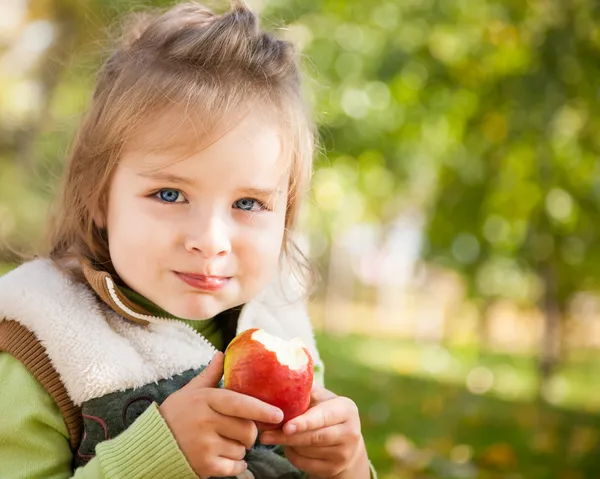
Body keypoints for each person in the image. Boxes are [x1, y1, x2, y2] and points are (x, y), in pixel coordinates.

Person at [0, 1, 376, 478]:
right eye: (170, 193)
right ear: (99, 196)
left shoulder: (281, 330)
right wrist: (155, 460)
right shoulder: (41, 342)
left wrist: (350, 469)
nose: (210, 240)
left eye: (247, 204)